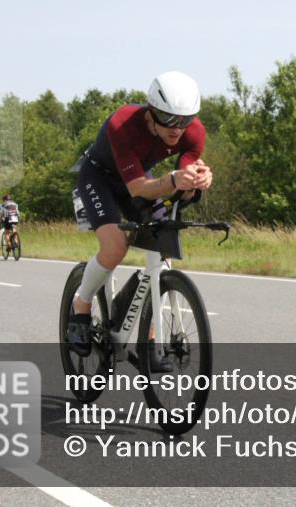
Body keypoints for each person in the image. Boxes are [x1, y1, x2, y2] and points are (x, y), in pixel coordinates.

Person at [66, 71, 213, 370]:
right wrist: (174, 180)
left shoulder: (194, 132)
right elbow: (137, 189)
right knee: (115, 247)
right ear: (151, 112)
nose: (177, 129)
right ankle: (81, 305)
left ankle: (150, 340)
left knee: (163, 245)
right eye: (168, 119)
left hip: (141, 177)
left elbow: (180, 186)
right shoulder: (123, 123)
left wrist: (195, 182)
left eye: (184, 120)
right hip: (100, 178)